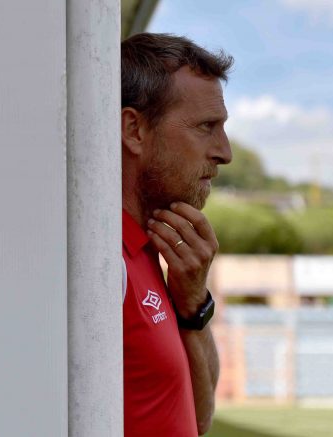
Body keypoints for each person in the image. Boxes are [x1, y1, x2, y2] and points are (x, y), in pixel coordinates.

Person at [121, 33, 233, 436]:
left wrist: (194, 306)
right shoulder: (97, 260)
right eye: (206, 127)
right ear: (134, 130)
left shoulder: (150, 248)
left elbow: (199, 419)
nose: (224, 152)